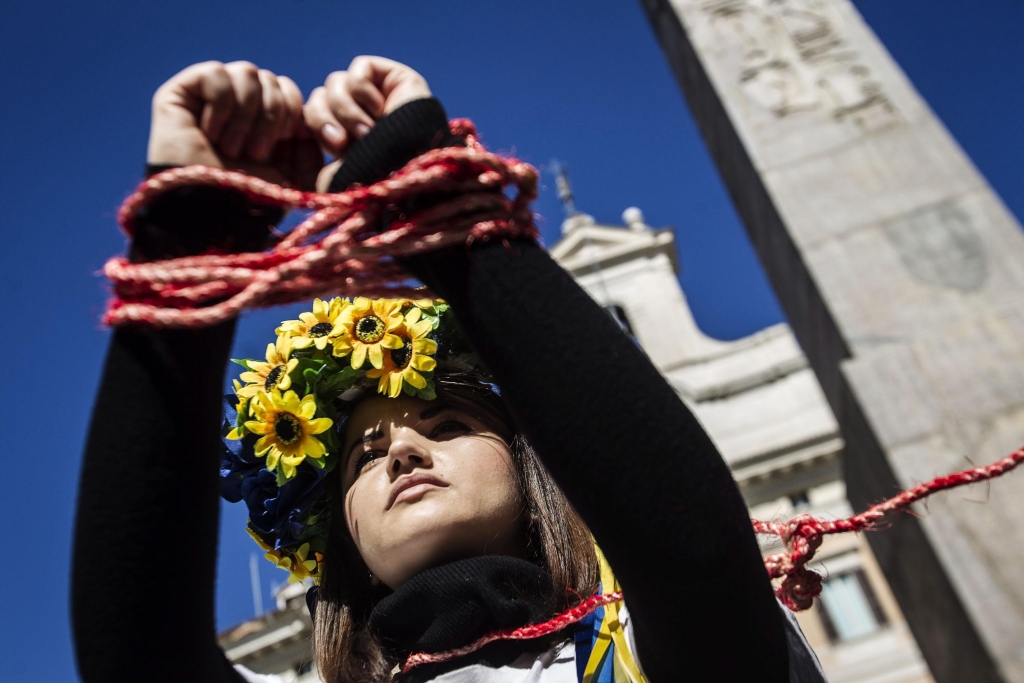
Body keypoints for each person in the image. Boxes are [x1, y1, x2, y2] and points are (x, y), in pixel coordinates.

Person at [72, 56, 826, 683]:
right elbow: (138, 654)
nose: (401, 450)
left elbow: (692, 549)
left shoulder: (647, 648)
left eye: (449, 424)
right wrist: (189, 235)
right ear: (344, 535)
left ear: (529, 468)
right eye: (363, 457)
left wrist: (431, 198)